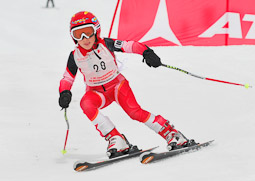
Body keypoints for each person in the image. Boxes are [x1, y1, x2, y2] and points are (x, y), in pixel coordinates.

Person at [58, 11, 192, 158]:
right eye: (78, 34)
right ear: (73, 37)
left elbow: (130, 45)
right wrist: (65, 92)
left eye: (88, 32)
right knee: (86, 103)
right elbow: (67, 78)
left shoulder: (106, 44)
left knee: (135, 112)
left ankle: (171, 134)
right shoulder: (75, 56)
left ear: (96, 31)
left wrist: (146, 52)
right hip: (97, 92)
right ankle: (116, 139)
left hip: (117, 86)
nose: (84, 39)